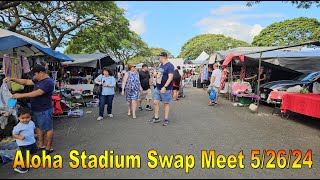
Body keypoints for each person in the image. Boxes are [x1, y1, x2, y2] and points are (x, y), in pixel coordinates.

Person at [4, 64, 55, 154]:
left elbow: (37, 93)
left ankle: (48, 148)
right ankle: (41, 145)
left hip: (44, 109)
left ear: (41, 73)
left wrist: (20, 96)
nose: (33, 76)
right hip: (36, 108)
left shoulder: (48, 82)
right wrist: (12, 79)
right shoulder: (38, 79)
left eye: (34, 74)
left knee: (48, 128)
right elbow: (26, 82)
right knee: (39, 127)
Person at [149, 52, 174, 126]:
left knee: (166, 103)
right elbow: (160, 74)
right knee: (155, 102)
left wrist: (165, 87)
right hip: (158, 87)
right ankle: (156, 117)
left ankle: (166, 119)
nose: (159, 59)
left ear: (162, 57)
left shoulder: (170, 66)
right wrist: (156, 75)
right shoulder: (161, 65)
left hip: (165, 88)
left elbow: (170, 77)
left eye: (159, 57)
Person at [12, 107, 37, 173]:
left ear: (30, 117)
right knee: (24, 155)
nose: (25, 120)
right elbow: (13, 134)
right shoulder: (18, 126)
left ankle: (29, 163)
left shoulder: (31, 122)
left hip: (32, 141)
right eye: (22, 118)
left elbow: (34, 129)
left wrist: (36, 133)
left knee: (32, 152)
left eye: (27, 117)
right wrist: (19, 137)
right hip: (23, 144)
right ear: (18, 118)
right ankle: (18, 166)